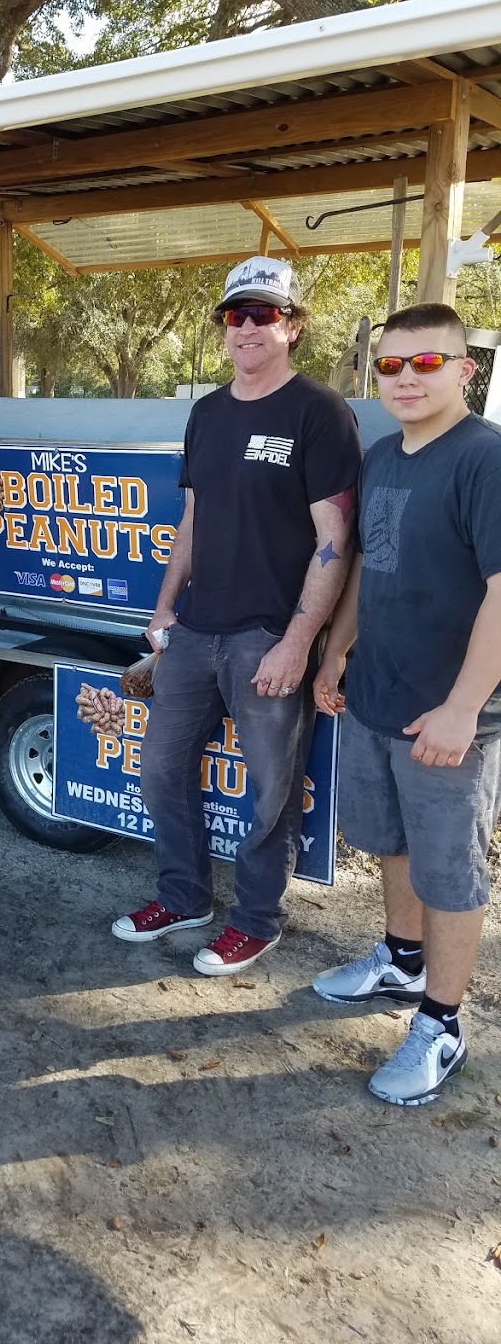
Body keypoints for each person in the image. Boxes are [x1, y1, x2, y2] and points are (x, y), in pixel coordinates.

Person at [111, 257, 362, 974]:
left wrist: (297, 642)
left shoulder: (319, 413)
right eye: (236, 314)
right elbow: (192, 516)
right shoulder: (207, 412)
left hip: (267, 636)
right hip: (194, 630)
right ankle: (184, 895)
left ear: (294, 326)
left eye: (265, 314)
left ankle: (257, 918)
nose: (249, 327)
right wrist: (164, 607)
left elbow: (335, 540)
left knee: (269, 793)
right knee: (160, 769)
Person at [311, 302, 501, 1106]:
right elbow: (368, 564)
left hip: (452, 717)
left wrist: (464, 705)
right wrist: (337, 648)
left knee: (451, 870)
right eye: (391, 365)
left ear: (464, 369)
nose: (406, 377)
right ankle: (400, 958)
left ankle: (443, 1023)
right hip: (378, 697)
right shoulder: (384, 455)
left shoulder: (484, 459)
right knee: (390, 840)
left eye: (426, 362)